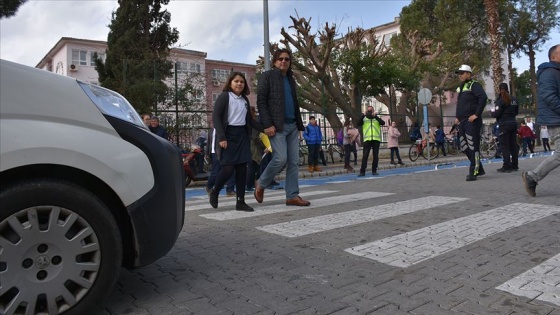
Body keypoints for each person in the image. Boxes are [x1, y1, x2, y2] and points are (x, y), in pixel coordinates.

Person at [254, 48, 310, 207]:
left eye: (287, 59)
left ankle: (292, 196)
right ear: (274, 62)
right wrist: (267, 124)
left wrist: (299, 125)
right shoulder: (267, 76)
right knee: (280, 158)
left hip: (292, 125)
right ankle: (261, 183)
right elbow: (261, 102)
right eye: (280, 59)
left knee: (294, 162)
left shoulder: (291, 79)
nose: (284, 61)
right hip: (276, 126)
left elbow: (295, 103)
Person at [208, 72, 263, 211]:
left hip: (242, 136)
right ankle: (215, 191)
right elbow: (216, 117)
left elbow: (249, 121)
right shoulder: (224, 97)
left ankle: (241, 202)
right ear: (230, 83)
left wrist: (265, 129)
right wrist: (221, 137)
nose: (239, 84)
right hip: (228, 135)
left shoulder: (245, 100)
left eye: (242, 82)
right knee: (228, 169)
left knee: (241, 170)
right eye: (236, 81)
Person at [522, 44, 560, 197]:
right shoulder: (549, 72)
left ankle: (533, 176)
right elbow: (549, 96)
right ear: (554, 56)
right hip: (556, 119)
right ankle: (532, 176)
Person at [455, 64, 487, 181]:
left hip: (472, 121)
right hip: (462, 121)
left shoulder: (475, 85)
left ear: (468, 74)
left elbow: (483, 98)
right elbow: (460, 104)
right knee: (463, 146)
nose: (460, 75)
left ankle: (473, 171)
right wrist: (457, 117)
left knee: (473, 146)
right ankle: (480, 168)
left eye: (462, 73)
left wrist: (476, 114)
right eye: (459, 73)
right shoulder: (461, 88)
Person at [490, 82, 519, 172]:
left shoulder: (500, 100)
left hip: (504, 124)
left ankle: (506, 165)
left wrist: (492, 112)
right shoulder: (514, 99)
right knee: (513, 145)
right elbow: (517, 112)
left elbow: (497, 113)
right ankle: (515, 165)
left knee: (505, 145)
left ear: (499, 89)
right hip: (513, 123)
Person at [206, 128, 236, 196]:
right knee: (216, 171)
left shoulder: (220, 129)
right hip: (216, 153)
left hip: (222, 151)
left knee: (229, 170)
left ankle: (230, 189)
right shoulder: (213, 130)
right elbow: (209, 143)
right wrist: (207, 153)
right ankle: (209, 186)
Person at [357, 105, 385, 176]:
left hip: (376, 140)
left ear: (373, 111)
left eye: (371, 110)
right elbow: (358, 123)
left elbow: (383, 123)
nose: (370, 112)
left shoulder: (376, 118)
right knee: (365, 156)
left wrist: (375, 116)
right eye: (368, 111)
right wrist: (363, 115)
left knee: (375, 156)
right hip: (367, 140)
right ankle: (362, 171)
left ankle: (374, 170)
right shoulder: (364, 119)